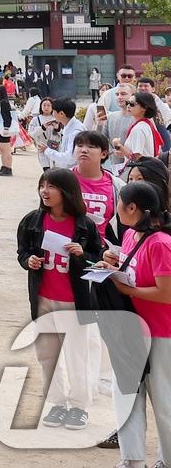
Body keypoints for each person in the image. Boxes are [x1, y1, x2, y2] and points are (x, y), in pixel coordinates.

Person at [17, 168, 103, 432]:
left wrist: (82, 254)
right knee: (47, 355)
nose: (45, 191)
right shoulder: (32, 221)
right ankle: (56, 402)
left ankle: (79, 406)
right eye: (42, 185)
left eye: (52, 186)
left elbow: (96, 259)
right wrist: (28, 261)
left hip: (74, 302)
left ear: (66, 192)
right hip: (43, 299)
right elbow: (22, 252)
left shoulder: (84, 225)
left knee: (77, 355)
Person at [101, 180, 171, 466]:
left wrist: (128, 290)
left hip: (160, 332)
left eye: (120, 202)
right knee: (126, 394)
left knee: (163, 399)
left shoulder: (162, 244)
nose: (117, 208)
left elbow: (166, 293)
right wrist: (112, 263)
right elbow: (133, 269)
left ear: (132, 207)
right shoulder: (131, 235)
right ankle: (132, 459)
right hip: (131, 329)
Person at [116, 93, 162, 174]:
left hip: (140, 173)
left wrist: (118, 146)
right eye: (127, 103)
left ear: (144, 107)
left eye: (132, 104)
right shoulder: (146, 124)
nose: (128, 106)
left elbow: (137, 158)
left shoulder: (139, 128)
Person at [43, 98, 84, 171]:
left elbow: (69, 158)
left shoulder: (75, 131)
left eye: (54, 111)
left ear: (61, 113)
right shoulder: (68, 126)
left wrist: (47, 150)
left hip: (73, 173)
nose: (52, 114)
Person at [0, 85, 19, 177]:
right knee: (3, 149)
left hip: (4, 128)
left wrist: (7, 127)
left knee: (6, 149)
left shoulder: (3, 102)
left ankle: (8, 168)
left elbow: (7, 116)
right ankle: (4, 166)